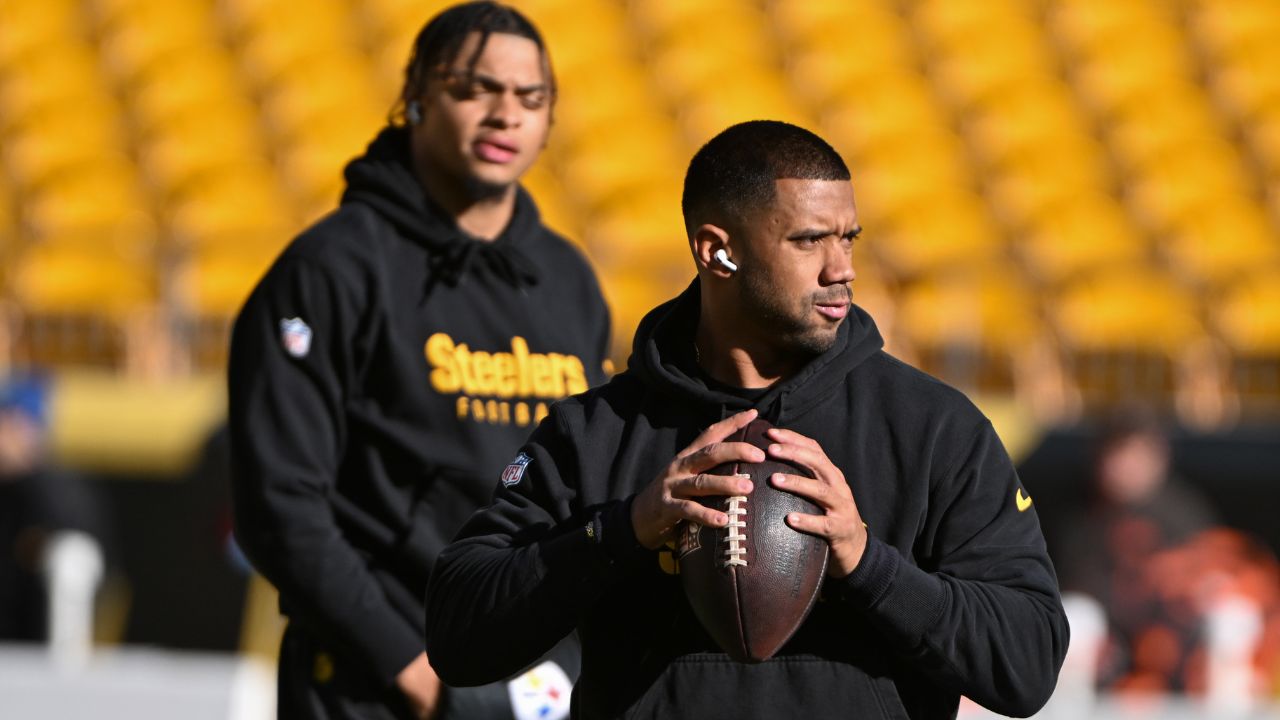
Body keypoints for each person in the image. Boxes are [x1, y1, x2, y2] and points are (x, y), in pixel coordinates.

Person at [425, 120, 1069, 719]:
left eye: (848, 238)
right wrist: (624, 529)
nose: (841, 269)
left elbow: (1028, 664)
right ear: (718, 252)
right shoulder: (596, 431)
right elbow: (458, 636)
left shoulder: (934, 428)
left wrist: (866, 562)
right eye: (809, 240)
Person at [228, 3, 610, 719]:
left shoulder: (568, 280)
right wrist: (410, 668)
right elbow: (280, 506)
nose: (505, 116)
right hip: (373, 683)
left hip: (536, 687)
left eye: (531, 99)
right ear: (415, 96)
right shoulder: (332, 268)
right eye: (475, 89)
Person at [1054, 407, 1218, 692]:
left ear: (1160, 457)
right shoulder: (1080, 514)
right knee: (1075, 617)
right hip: (1109, 640)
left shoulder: (1184, 512)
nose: (1128, 466)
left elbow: (1207, 582)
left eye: (1139, 454)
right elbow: (1072, 587)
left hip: (1173, 633)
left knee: (1231, 618)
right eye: (1119, 454)